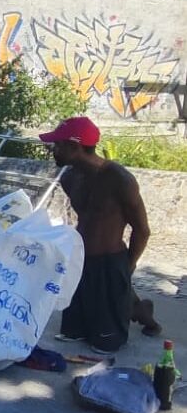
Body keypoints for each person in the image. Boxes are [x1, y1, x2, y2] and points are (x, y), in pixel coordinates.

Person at [43, 117, 151, 354]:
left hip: (110, 260)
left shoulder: (120, 179)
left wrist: (126, 267)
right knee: (74, 332)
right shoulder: (69, 178)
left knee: (105, 344)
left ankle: (141, 312)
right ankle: (134, 307)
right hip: (80, 260)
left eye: (58, 145)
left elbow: (142, 230)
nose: (53, 150)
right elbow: (89, 218)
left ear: (75, 147)